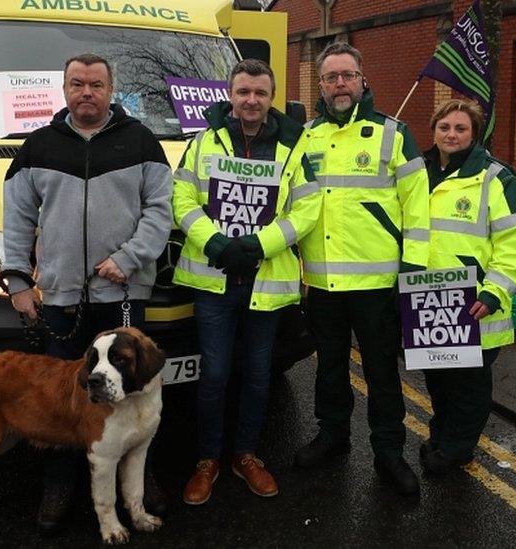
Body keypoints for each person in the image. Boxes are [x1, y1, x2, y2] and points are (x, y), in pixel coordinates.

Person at [0, 54, 173, 532]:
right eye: (77, 84)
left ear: (111, 90)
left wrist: (129, 258)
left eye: (96, 84)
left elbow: (160, 211)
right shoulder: (37, 146)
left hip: (122, 291)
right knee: (64, 397)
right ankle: (60, 483)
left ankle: (142, 477)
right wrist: (18, 281)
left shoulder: (141, 141)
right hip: (60, 295)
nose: (87, 92)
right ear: (64, 89)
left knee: (134, 390)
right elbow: (16, 218)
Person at [172, 59, 322, 505]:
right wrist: (215, 243)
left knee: (258, 376)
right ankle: (207, 460)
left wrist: (258, 246)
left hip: (266, 280)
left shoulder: (295, 148)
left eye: (260, 92)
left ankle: (246, 455)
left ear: (272, 97)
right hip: (215, 277)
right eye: (243, 92)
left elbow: (308, 210)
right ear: (231, 95)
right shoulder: (203, 142)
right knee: (215, 373)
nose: (251, 100)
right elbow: (181, 196)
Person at [294, 42, 430, 496]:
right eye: (331, 77)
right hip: (323, 281)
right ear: (320, 84)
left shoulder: (394, 133)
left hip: (377, 283)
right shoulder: (305, 136)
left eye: (347, 75)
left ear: (362, 79)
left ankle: (389, 452)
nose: (340, 84)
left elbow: (418, 210)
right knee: (329, 368)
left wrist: (410, 272)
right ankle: (333, 436)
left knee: (382, 374)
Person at [420, 99, 516, 475]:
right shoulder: (418, 173)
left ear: (475, 134)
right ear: (433, 130)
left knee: (468, 387)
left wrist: (494, 292)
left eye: (460, 128)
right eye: (444, 127)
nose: (451, 134)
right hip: (428, 301)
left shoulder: (497, 178)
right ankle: (441, 434)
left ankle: (458, 449)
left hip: (474, 304)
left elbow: (515, 245)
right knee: (438, 382)